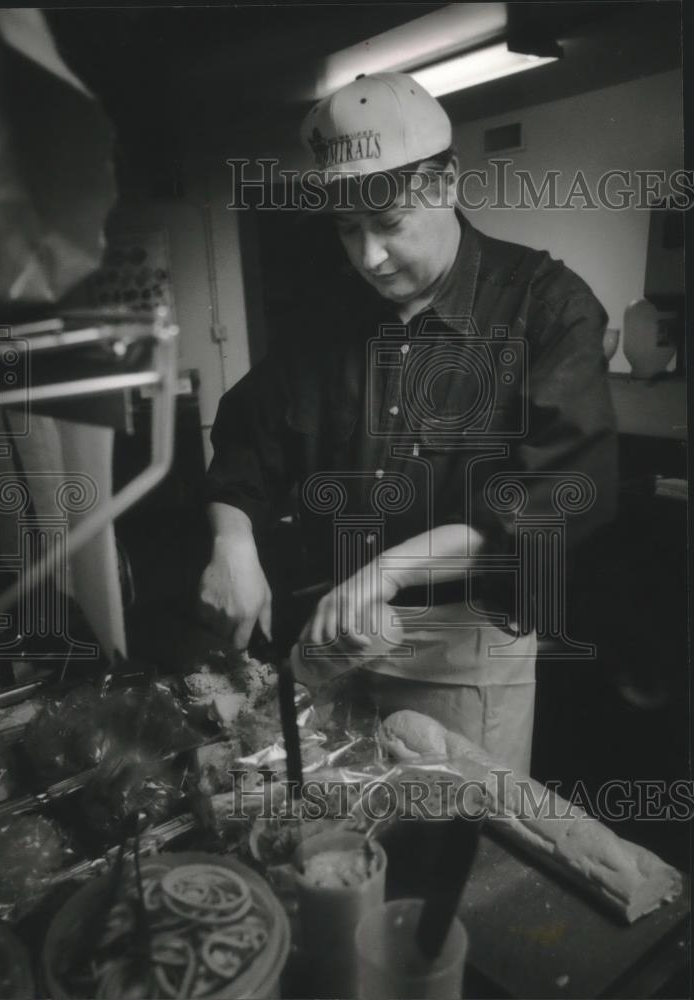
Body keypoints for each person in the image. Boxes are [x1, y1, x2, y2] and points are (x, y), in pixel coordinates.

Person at [198, 72, 617, 774]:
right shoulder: (327, 313)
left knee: (455, 836)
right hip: (332, 624)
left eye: (388, 225)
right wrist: (230, 539)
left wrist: (391, 569)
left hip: (466, 637)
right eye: (348, 229)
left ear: (445, 181)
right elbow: (247, 431)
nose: (368, 258)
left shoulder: (547, 308)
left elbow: (557, 501)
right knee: (326, 807)